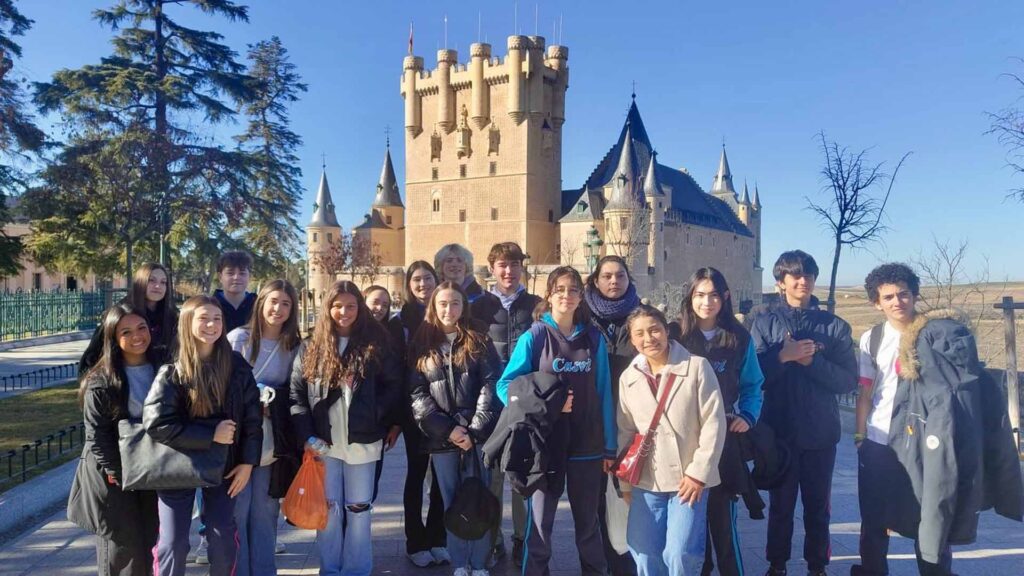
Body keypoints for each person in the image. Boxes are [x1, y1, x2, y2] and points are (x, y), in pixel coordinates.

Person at [851, 263, 1022, 576]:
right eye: (888, 297)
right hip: (878, 441)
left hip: (923, 442)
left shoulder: (936, 335)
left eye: (903, 294)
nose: (897, 301)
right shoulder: (871, 339)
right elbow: (865, 391)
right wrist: (860, 437)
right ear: (877, 303)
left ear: (915, 295)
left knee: (930, 515)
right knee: (873, 518)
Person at [496, 266, 616, 576]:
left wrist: (610, 446)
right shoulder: (535, 336)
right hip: (545, 445)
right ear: (549, 295)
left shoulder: (593, 339)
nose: (566, 295)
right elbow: (506, 386)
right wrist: (546, 406)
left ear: (581, 296)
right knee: (540, 527)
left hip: (586, 444)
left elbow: (604, 393)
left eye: (573, 289)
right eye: (560, 289)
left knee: (588, 526)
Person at [747, 250, 857, 576]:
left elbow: (847, 380)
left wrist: (811, 362)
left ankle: (817, 566)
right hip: (778, 432)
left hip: (820, 433)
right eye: (795, 275)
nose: (803, 280)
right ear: (781, 282)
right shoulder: (764, 324)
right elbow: (753, 377)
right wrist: (783, 357)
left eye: (808, 274)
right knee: (781, 506)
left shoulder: (834, 327)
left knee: (817, 507)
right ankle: (776, 564)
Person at [290, 280, 403, 576]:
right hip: (323, 442)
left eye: (350, 306)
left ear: (359, 308)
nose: (344, 312)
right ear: (327, 308)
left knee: (359, 509)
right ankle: (330, 568)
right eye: (337, 305)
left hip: (363, 441)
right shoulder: (311, 346)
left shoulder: (377, 343)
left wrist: (375, 416)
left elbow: (394, 386)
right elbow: (296, 395)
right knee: (328, 509)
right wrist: (306, 434)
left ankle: (356, 569)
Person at [145, 295, 263, 576]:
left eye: (217, 318)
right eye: (203, 318)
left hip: (225, 466)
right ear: (187, 323)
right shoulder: (172, 369)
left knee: (222, 539)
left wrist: (247, 462)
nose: (211, 325)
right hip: (178, 466)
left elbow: (252, 419)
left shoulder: (236, 366)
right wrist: (210, 434)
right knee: (173, 543)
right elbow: (157, 423)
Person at [617, 304, 727, 576]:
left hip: (688, 478)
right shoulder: (629, 377)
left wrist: (698, 473)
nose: (648, 338)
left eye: (654, 330)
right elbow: (625, 431)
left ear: (666, 331)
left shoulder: (696, 367)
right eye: (639, 333)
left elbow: (714, 423)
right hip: (646, 479)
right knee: (643, 552)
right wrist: (625, 483)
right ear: (632, 340)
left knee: (680, 554)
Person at [673, 268, 764, 576]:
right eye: (700, 295)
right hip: (682, 439)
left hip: (723, 442)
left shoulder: (738, 338)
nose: (706, 302)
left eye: (713, 295)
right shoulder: (675, 335)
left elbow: (753, 384)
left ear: (724, 297)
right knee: (689, 528)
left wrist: (747, 416)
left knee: (723, 523)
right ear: (690, 297)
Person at [409, 281, 502, 576]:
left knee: (480, 499)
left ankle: (480, 562)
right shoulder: (422, 344)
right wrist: (448, 430)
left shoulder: (479, 340)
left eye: (455, 303)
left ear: (464, 306)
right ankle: (460, 563)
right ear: (434, 307)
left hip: (477, 437)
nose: (449, 309)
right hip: (443, 440)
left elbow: (491, 384)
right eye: (443, 304)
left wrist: (474, 430)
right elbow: (417, 395)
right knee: (451, 502)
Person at [67, 303, 160, 576]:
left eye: (142, 328)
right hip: (114, 476)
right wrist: (119, 473)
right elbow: (97, 436)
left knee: (149, 542)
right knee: (123, 551)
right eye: (126, 332)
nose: (137, 336)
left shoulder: (162, 368)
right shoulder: (101, 380)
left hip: (151, 469)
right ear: (112, 337)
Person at [470, 242, 541, 568]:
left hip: (525, 403)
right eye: (502, 265)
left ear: (521, 268)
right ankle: (494, 539)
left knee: (523, 475)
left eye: (514, 264)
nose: (508, 271)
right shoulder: (478, 307)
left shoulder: (536, 306)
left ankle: (522, 538)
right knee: (493, 478)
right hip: (491, 404)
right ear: (492, 269)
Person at [227, 280, 302, 576]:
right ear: (261, 303)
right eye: (273, 301)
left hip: (271, 440)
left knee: (265, 510)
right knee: (238, 508)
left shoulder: (293, 346)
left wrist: (274, 402)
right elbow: (221, 384)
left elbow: (297, 391)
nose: (278, 309)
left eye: (286, 304)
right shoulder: (238, 339)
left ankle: (264, 570)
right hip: (237, 439)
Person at [388, 262, 449, 567]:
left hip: (446, 407)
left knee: (441, 476)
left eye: (428, 278)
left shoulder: (445, 313)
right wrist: (398, 417)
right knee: (416, 474)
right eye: (417, 279)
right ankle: (415, 541)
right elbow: (395, 370)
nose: (423, 284)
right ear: (408, 284)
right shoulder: (400, 322)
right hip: (415, 408)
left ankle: (437, 537)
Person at [584, 255, 642, 576]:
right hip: (591, 421)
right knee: (593, 502)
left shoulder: (641, 317)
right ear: (595, 281)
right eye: (606, 276)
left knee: (626, 496)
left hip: (631, 421)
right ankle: (597, 566)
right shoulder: (583, 318)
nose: (614, 281)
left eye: (620, 275)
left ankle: (625, 567)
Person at [79, 262, 178, 372]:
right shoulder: (121, 314)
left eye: (163, 282)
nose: (158, 286)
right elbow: (93, 356)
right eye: (152, 280)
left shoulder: (172, 318)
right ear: (140, 282)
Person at [362, 284, 402, 501]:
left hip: (375, 423)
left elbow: (394, 384)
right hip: (339, 424)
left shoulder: (387, 339)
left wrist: (394, 422)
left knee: (369, 486)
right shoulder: (346, 333)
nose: (379, 308)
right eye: (375, 302)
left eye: (385, 305)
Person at [213, 250, 257, 333]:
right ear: (220, 277)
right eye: (230, 273)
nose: (236, 277)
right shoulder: (209, 305)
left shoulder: (258, 305)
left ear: (249, 276)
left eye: (242, 273)